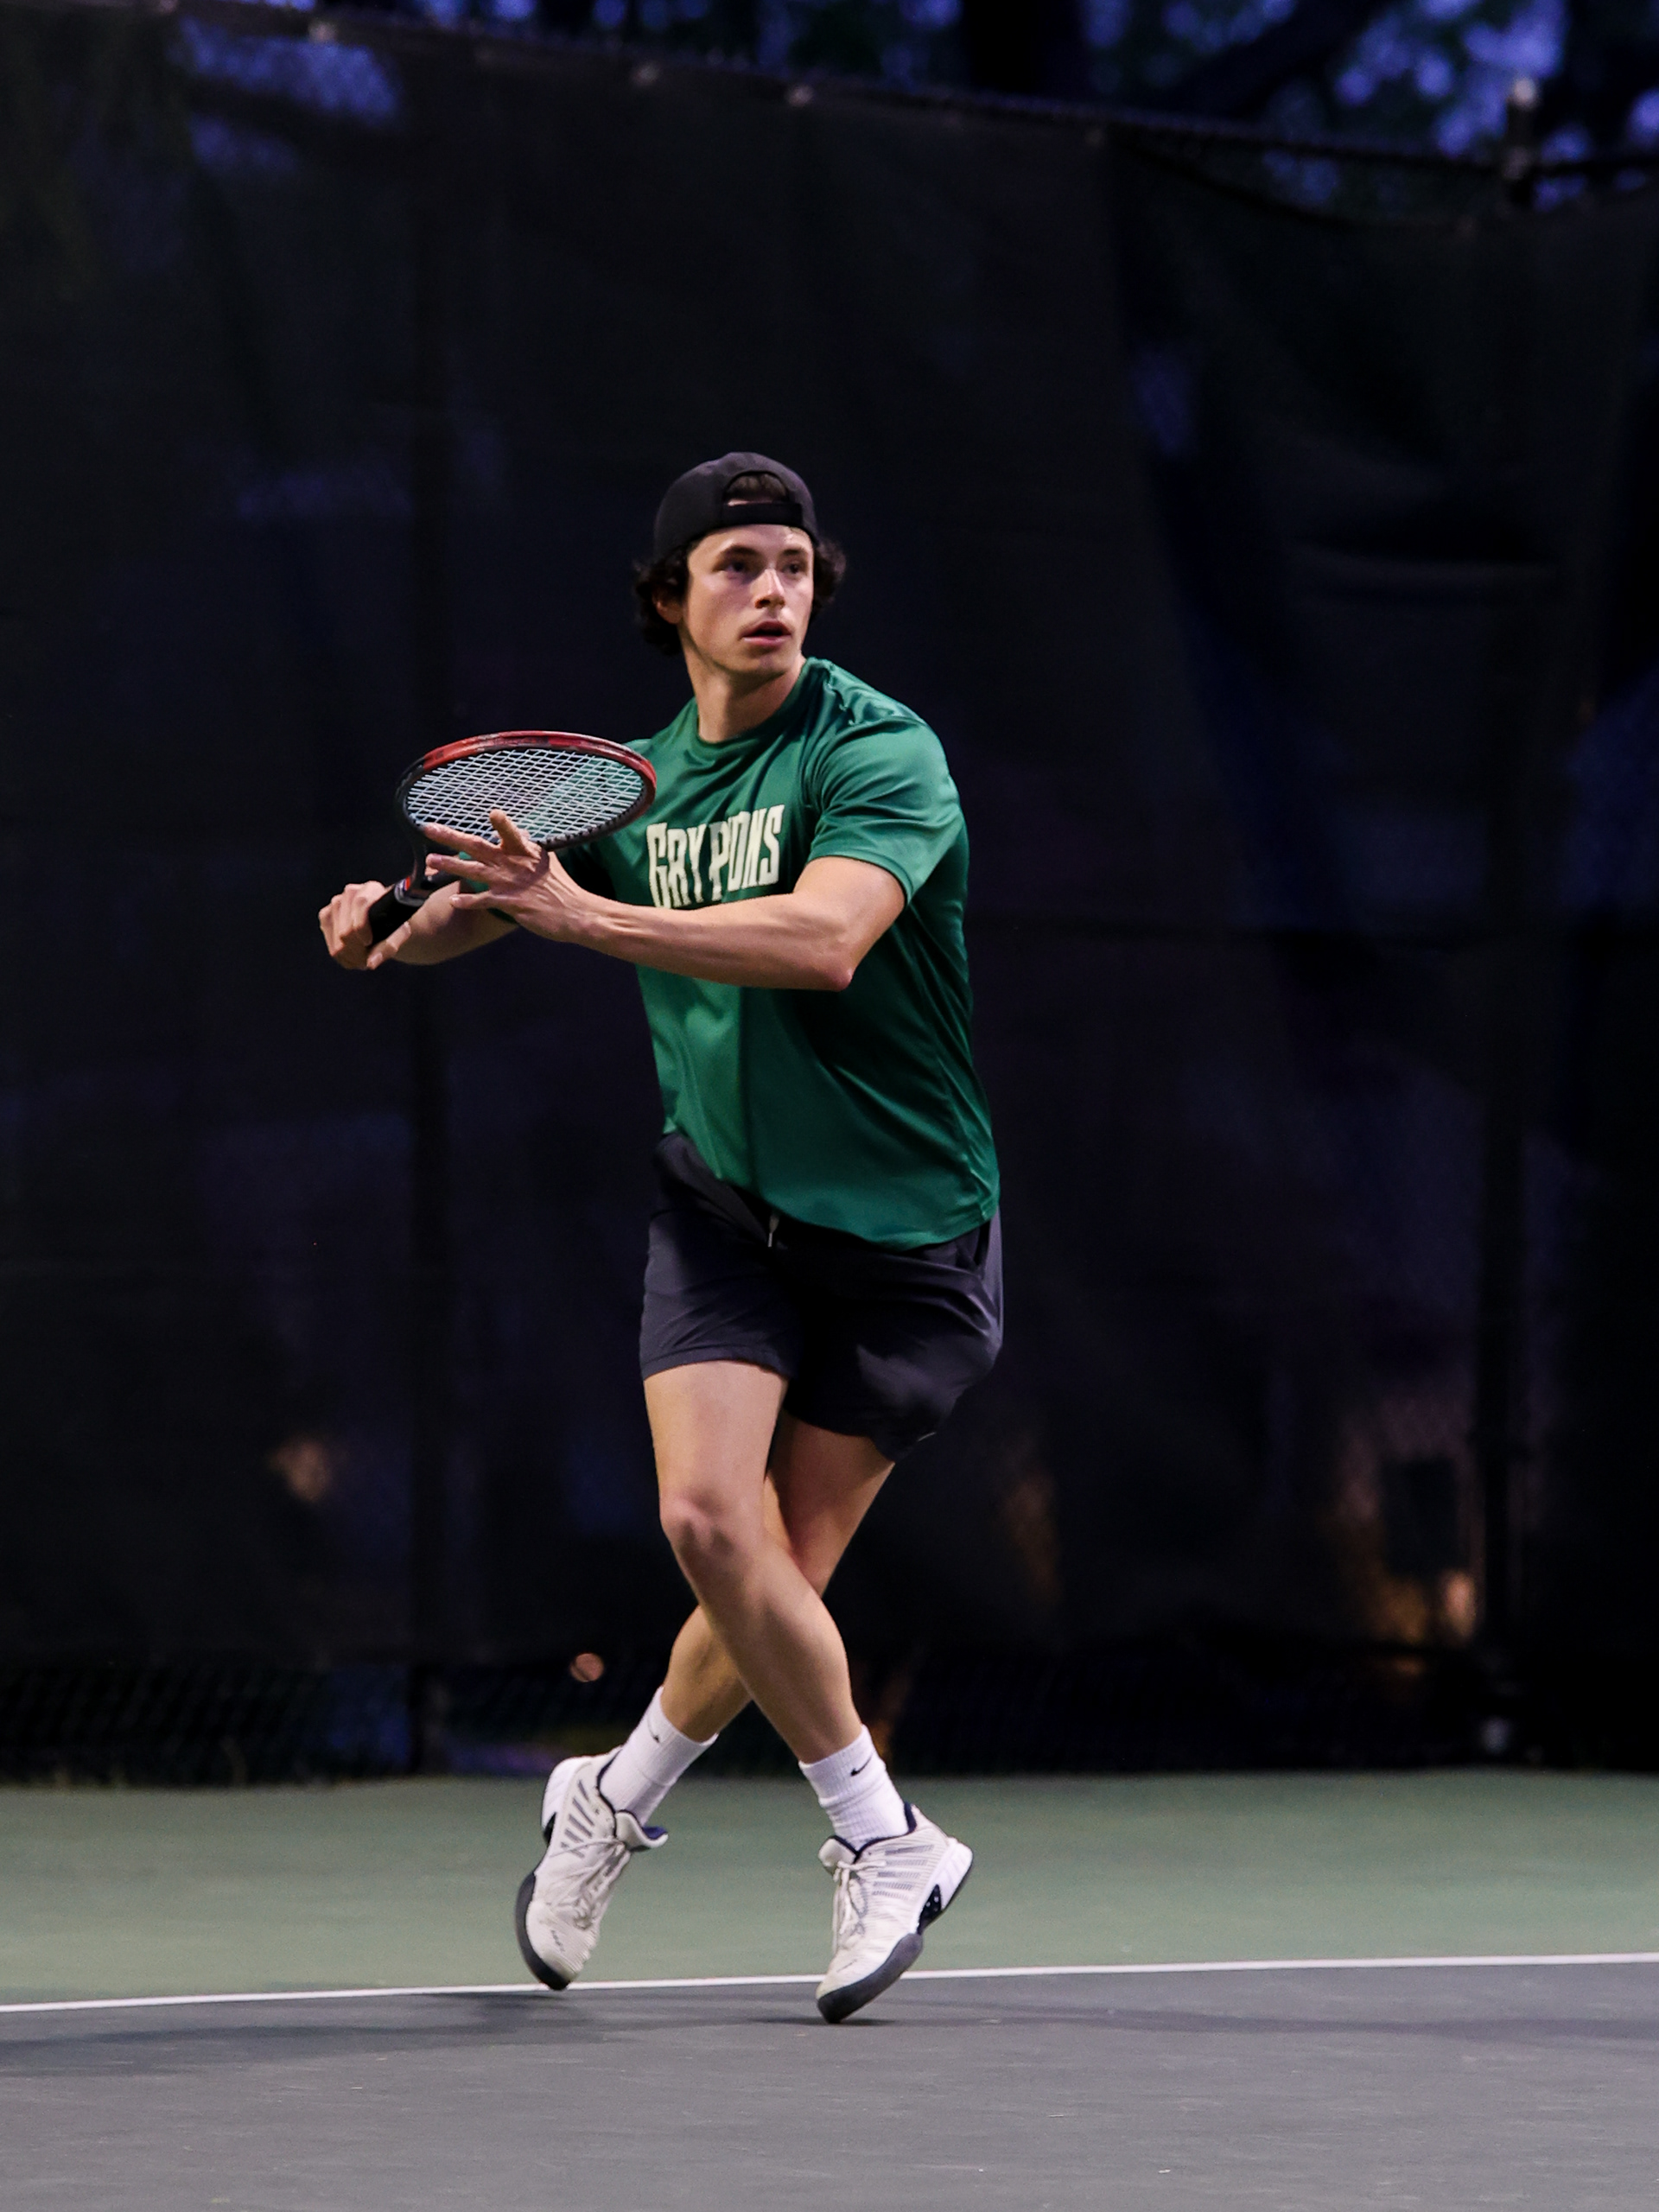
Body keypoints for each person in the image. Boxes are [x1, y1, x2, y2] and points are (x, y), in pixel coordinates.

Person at [319, 452, 1001, 2023]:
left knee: (771, 1593)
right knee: (710, 1517)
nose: (774, 592)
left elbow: (825, 941)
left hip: (908, 1240)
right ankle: (881, 1838)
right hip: (726, 1215)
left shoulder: (880, 748)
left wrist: (590, 921)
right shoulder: (624, 787)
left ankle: (606, 1801)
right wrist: (383, 932)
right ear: (669, 600)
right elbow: (478, 908)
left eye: (794, 566)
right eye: (736, 566)